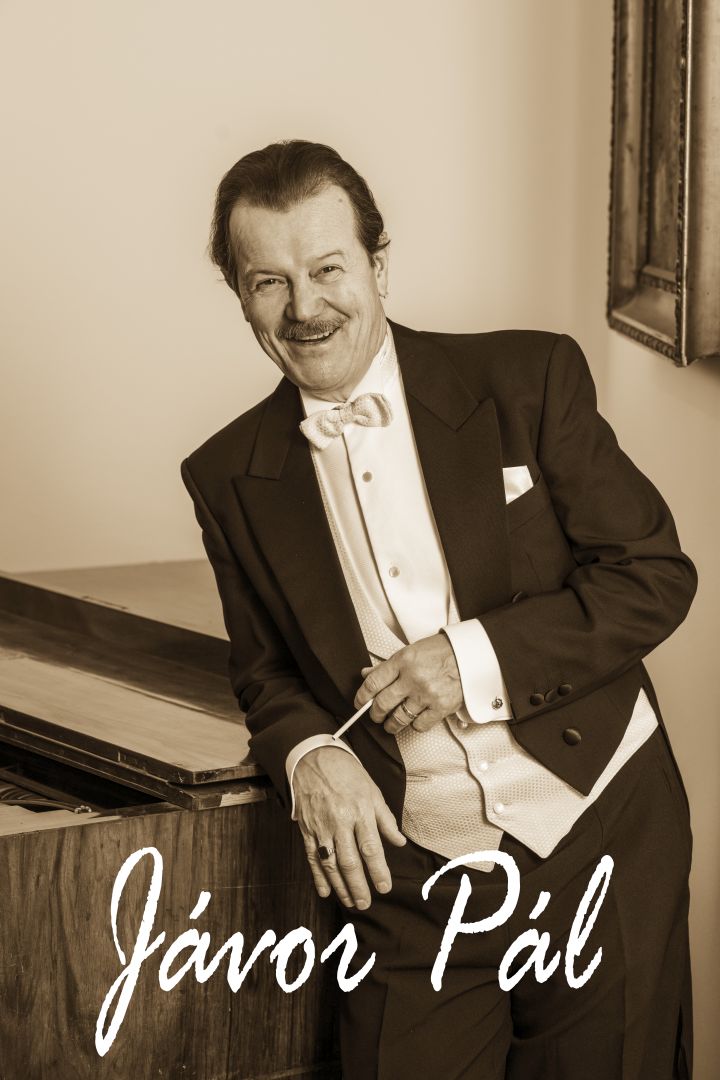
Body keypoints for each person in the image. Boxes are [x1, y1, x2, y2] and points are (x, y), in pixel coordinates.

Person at [181, 140, 697, 1079]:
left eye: (328, 269)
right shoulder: (225, 476)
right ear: (240, 298)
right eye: (269, 282)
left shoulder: (529, 377)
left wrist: (471, 659)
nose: (305, 308)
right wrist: (308, 753)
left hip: (604, 834)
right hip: (410, 882)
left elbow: (653, 574)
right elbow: (265, 672)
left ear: (377, 265)